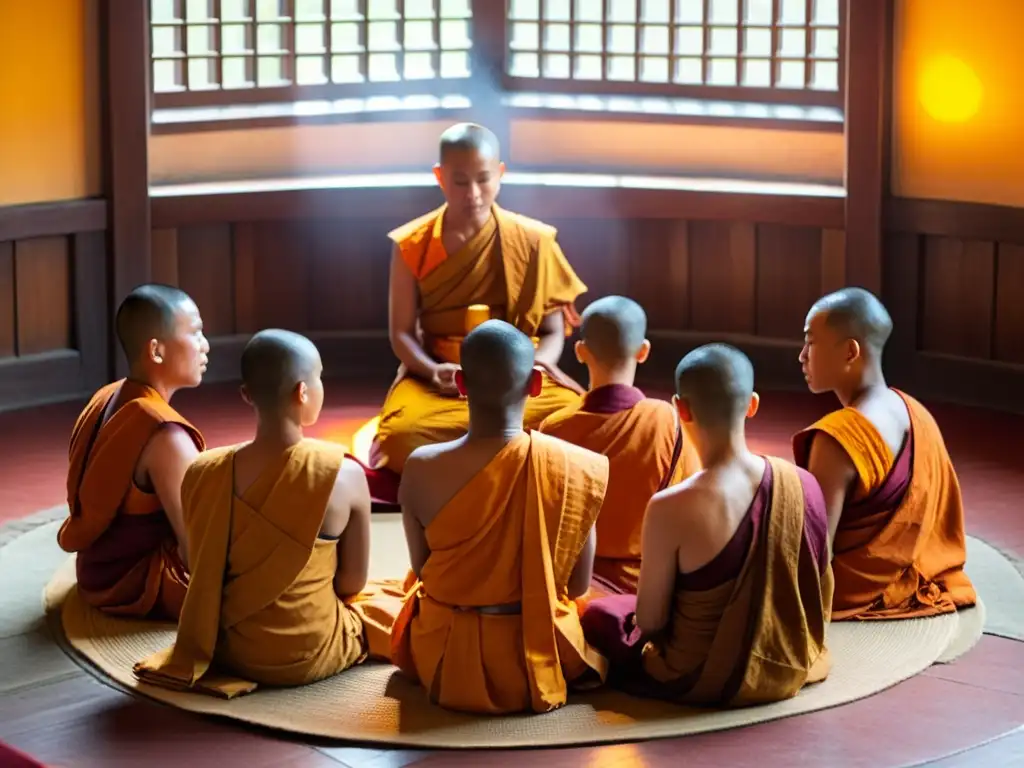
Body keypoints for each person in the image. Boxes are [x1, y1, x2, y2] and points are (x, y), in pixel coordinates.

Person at [135, 330, 396, 697]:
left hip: (228, 649)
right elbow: (351, 583)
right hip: (312, 651)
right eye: (318, 378)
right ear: (303, 392)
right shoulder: (344, 474)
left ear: (246, 394)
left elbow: (197, 563)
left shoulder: (204, 471)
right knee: (391, 603)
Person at [582, 344, 833, 706]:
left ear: (680, 408)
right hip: (790, 659)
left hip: (701, 674)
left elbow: (650, 622)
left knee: (600, 613)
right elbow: (821, 587)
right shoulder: (802, 483)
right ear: (752, 405)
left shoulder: (670, 506)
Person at [390, 320, 610, 714]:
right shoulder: (572, 467)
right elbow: (577, 587)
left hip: (444, 656)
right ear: (536, 385)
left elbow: (423, 568)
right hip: (538, 654)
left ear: (460, 383)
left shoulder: (420, 467)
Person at [370, 122, 588, 477]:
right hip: (444, 379)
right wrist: (432, 369)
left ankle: (470, 460)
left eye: (483, 179)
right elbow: (402, 333)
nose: (473, 192)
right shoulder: (412, 244)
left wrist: (534, 366)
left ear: (500, 174)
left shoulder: (533, 240)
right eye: (459, 181)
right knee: (402, 438)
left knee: (572, 419)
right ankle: (510, 456)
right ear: (439, 177)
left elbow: (551, 331)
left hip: (519, 378)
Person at [793, 288, 976, 620]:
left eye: (811, 342)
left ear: (850, 351)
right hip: (912, 570)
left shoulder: (839, 437)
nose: (802, 356)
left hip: (852, 588)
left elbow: (815, 551)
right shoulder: (913, 410)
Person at [59, 284, 208, 620]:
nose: (205, 346)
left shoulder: (107, 396)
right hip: (137, 579)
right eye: (196, 334)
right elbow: (197, 549)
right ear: (156, 351)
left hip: (96, 569)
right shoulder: (164, 435)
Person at [540, 296, 700, 595]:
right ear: (643, 351)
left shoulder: (554, 428)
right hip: (645, 589)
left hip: (570, 586)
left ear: (580, 352)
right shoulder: (668, 420)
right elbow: (690, 507)